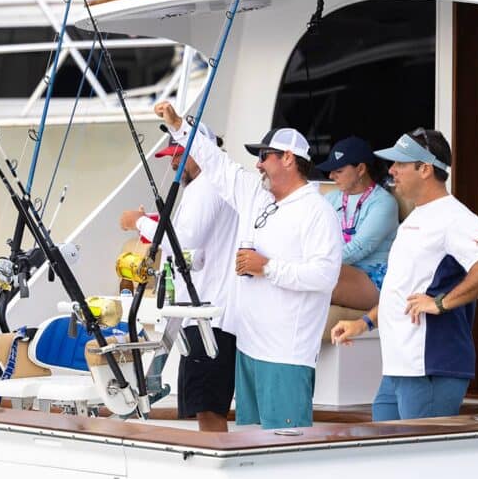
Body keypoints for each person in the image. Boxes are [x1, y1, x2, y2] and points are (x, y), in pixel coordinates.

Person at [155, 102, 342, 429]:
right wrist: (178, 126)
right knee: (251, 449)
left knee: (284, 452)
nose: (256, 165)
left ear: (288, 158)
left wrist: (266, 266)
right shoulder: (258, 197)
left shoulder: (317, 210)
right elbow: (216, 163)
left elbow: (325, 274)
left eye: (264, 156)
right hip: (248, 350)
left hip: (285, 356)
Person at [330, 129, 478, 420]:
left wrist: (440, 303)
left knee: (420, 461)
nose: (391, 170)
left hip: (430, 366)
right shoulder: (415, 217)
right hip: (399, 366)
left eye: (400, 163)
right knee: (386, 458)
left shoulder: (455, 217)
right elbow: (402, 289)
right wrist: (363, 323)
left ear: (425, 169)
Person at [118, 124, 239, 432]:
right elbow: (195, 249)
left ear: (201, 152)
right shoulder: (209, 187)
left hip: (208, 317)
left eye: (179, 154)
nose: (173, 163)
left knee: (209, 411)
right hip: (199, 315)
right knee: (203, 408)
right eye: (171, 155)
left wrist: (140, 222)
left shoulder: (207, 186)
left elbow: (184, 243)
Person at [316, 136, 398, 310]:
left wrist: (315, 264)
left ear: (360, 169)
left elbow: (359, 248)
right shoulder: (330, 198)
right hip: (336, 268)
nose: (331, 176)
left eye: (338, 171)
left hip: (372, 277)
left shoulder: (384, 202)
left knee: (318, 280)